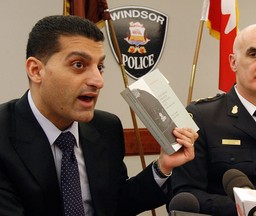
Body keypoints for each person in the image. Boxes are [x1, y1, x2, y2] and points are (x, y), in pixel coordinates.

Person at [0, 15, 198, 216]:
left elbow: (117, 204)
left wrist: (162, 167)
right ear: (36, 71)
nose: (98, 81)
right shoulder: (4, 133)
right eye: (79, 65)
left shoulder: (106, 127)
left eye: (100, 67)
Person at [170, 24, 256, 216]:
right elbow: (185, 196)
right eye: (253, 54)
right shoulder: (202, 117)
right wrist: (254, 208)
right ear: (233, 62)